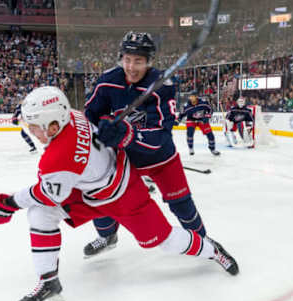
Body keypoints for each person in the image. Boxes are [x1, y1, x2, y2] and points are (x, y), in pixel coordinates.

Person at [0, 86, 239, 301]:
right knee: (40, 214)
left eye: (34, 125)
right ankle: (49, 283)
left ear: (53, 126)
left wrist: (6, 203)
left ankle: (211, 249)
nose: (31, 131)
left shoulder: (58, 157)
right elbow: (54, 189)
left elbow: (47, 193)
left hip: (123, 194)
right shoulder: (70, 115)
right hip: (91, 189)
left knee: (165, 241)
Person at [83, 31, 211, 258]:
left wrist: (127, 135)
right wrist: (101, 128)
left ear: (149, 61)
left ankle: (203, 242)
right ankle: (107, 236)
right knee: (99, 196)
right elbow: (90, 117)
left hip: (161, 159)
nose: (131, 67)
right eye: (127, 59)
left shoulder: (162, 85)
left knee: (181, 203)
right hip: (125, 161)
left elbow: (162, 135)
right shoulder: (107, 81)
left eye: (138, 61)